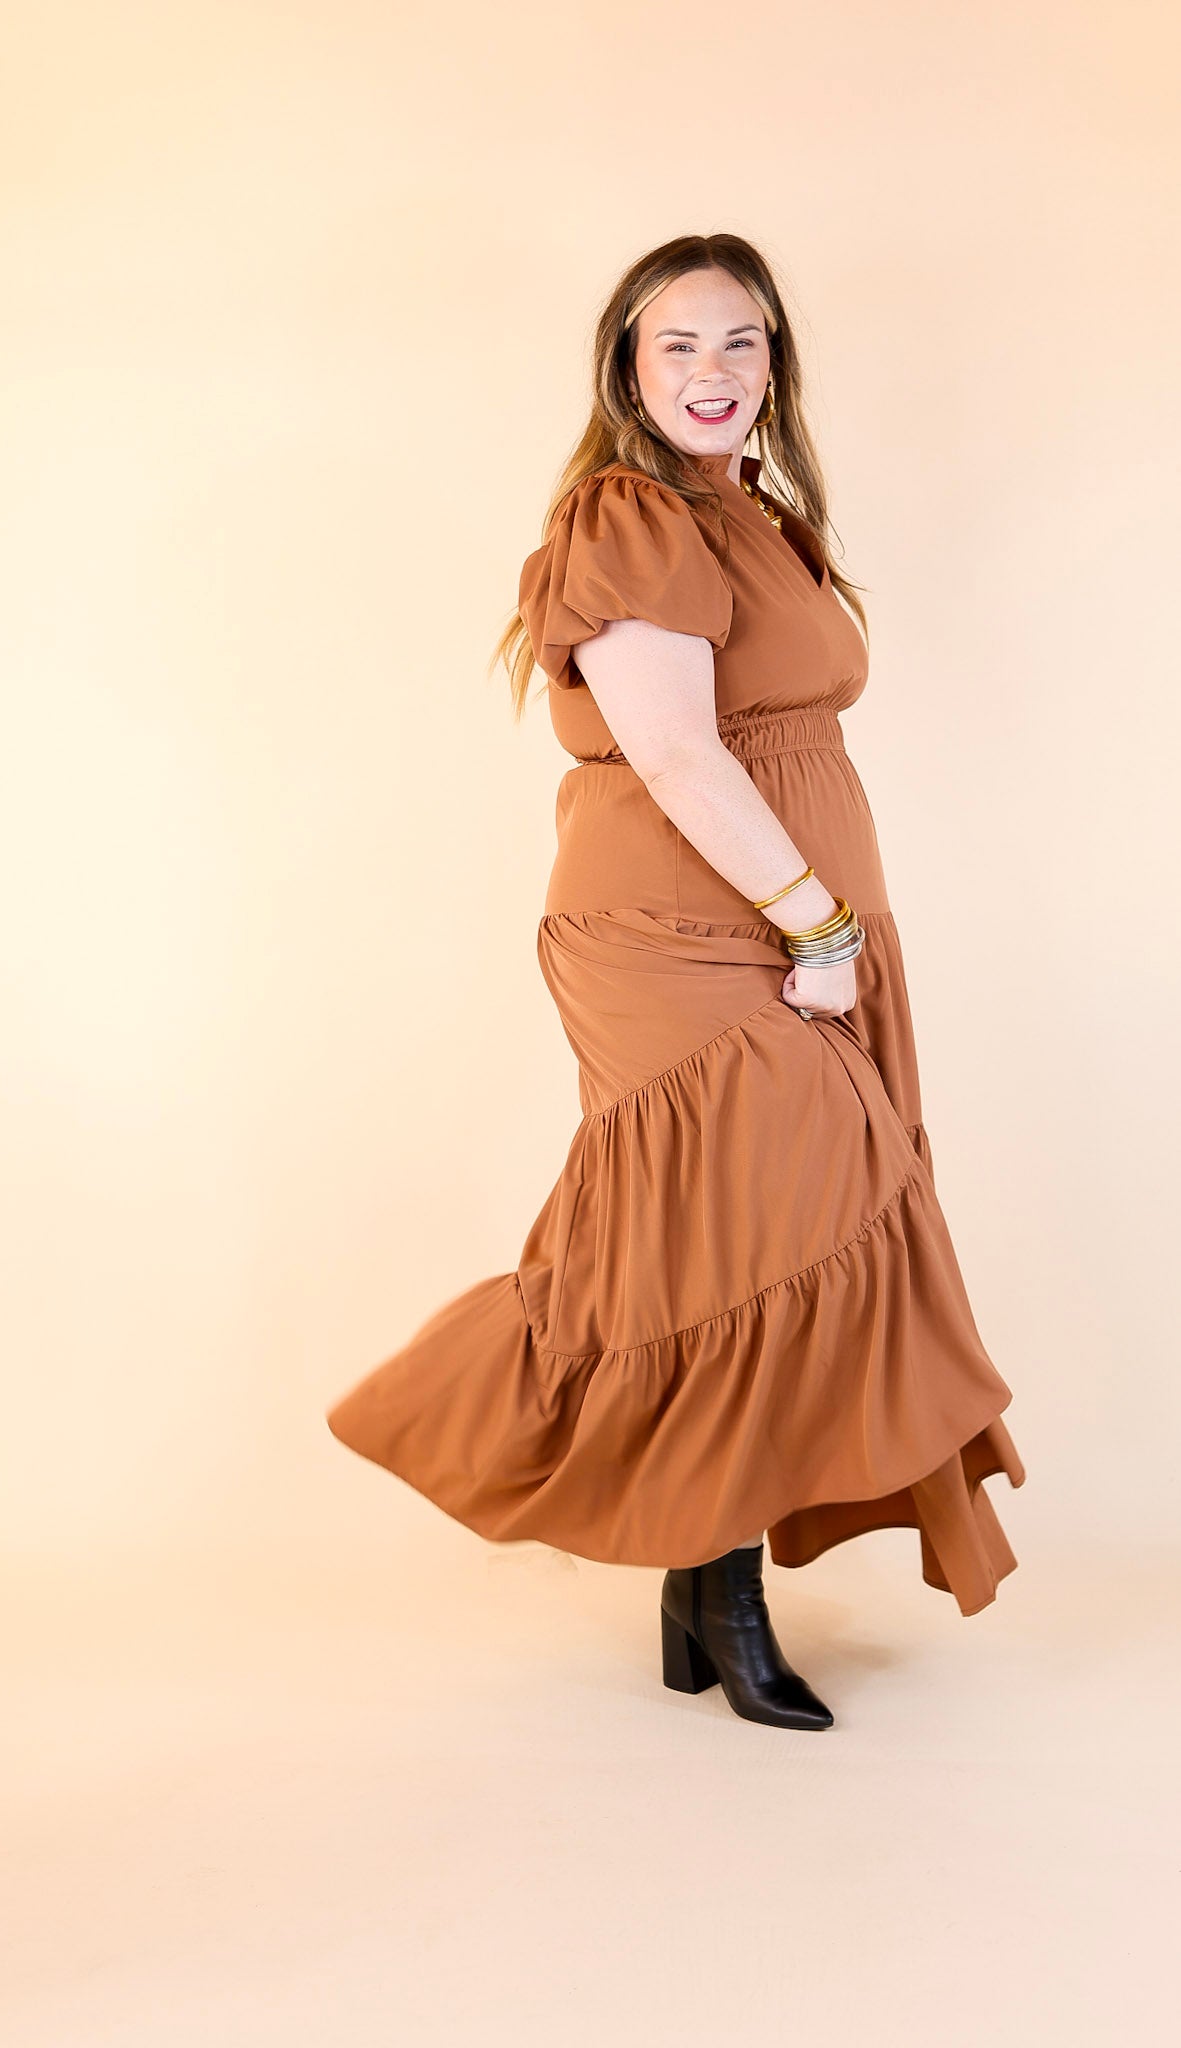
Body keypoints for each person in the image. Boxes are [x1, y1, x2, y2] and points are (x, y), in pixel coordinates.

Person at [325, 231, 1025, 1731]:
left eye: (742, 345)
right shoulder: (631, 514)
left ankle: (699, 1591)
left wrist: (828, 924)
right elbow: (676, 752)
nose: (713, 373)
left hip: (782, 914)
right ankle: (677, 1563)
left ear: (775, 369)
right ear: (626, 373)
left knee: (726, 1244)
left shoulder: (752, 515)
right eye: (678, 347)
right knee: (754, 1220)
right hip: (680, 930)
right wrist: (815, 929)